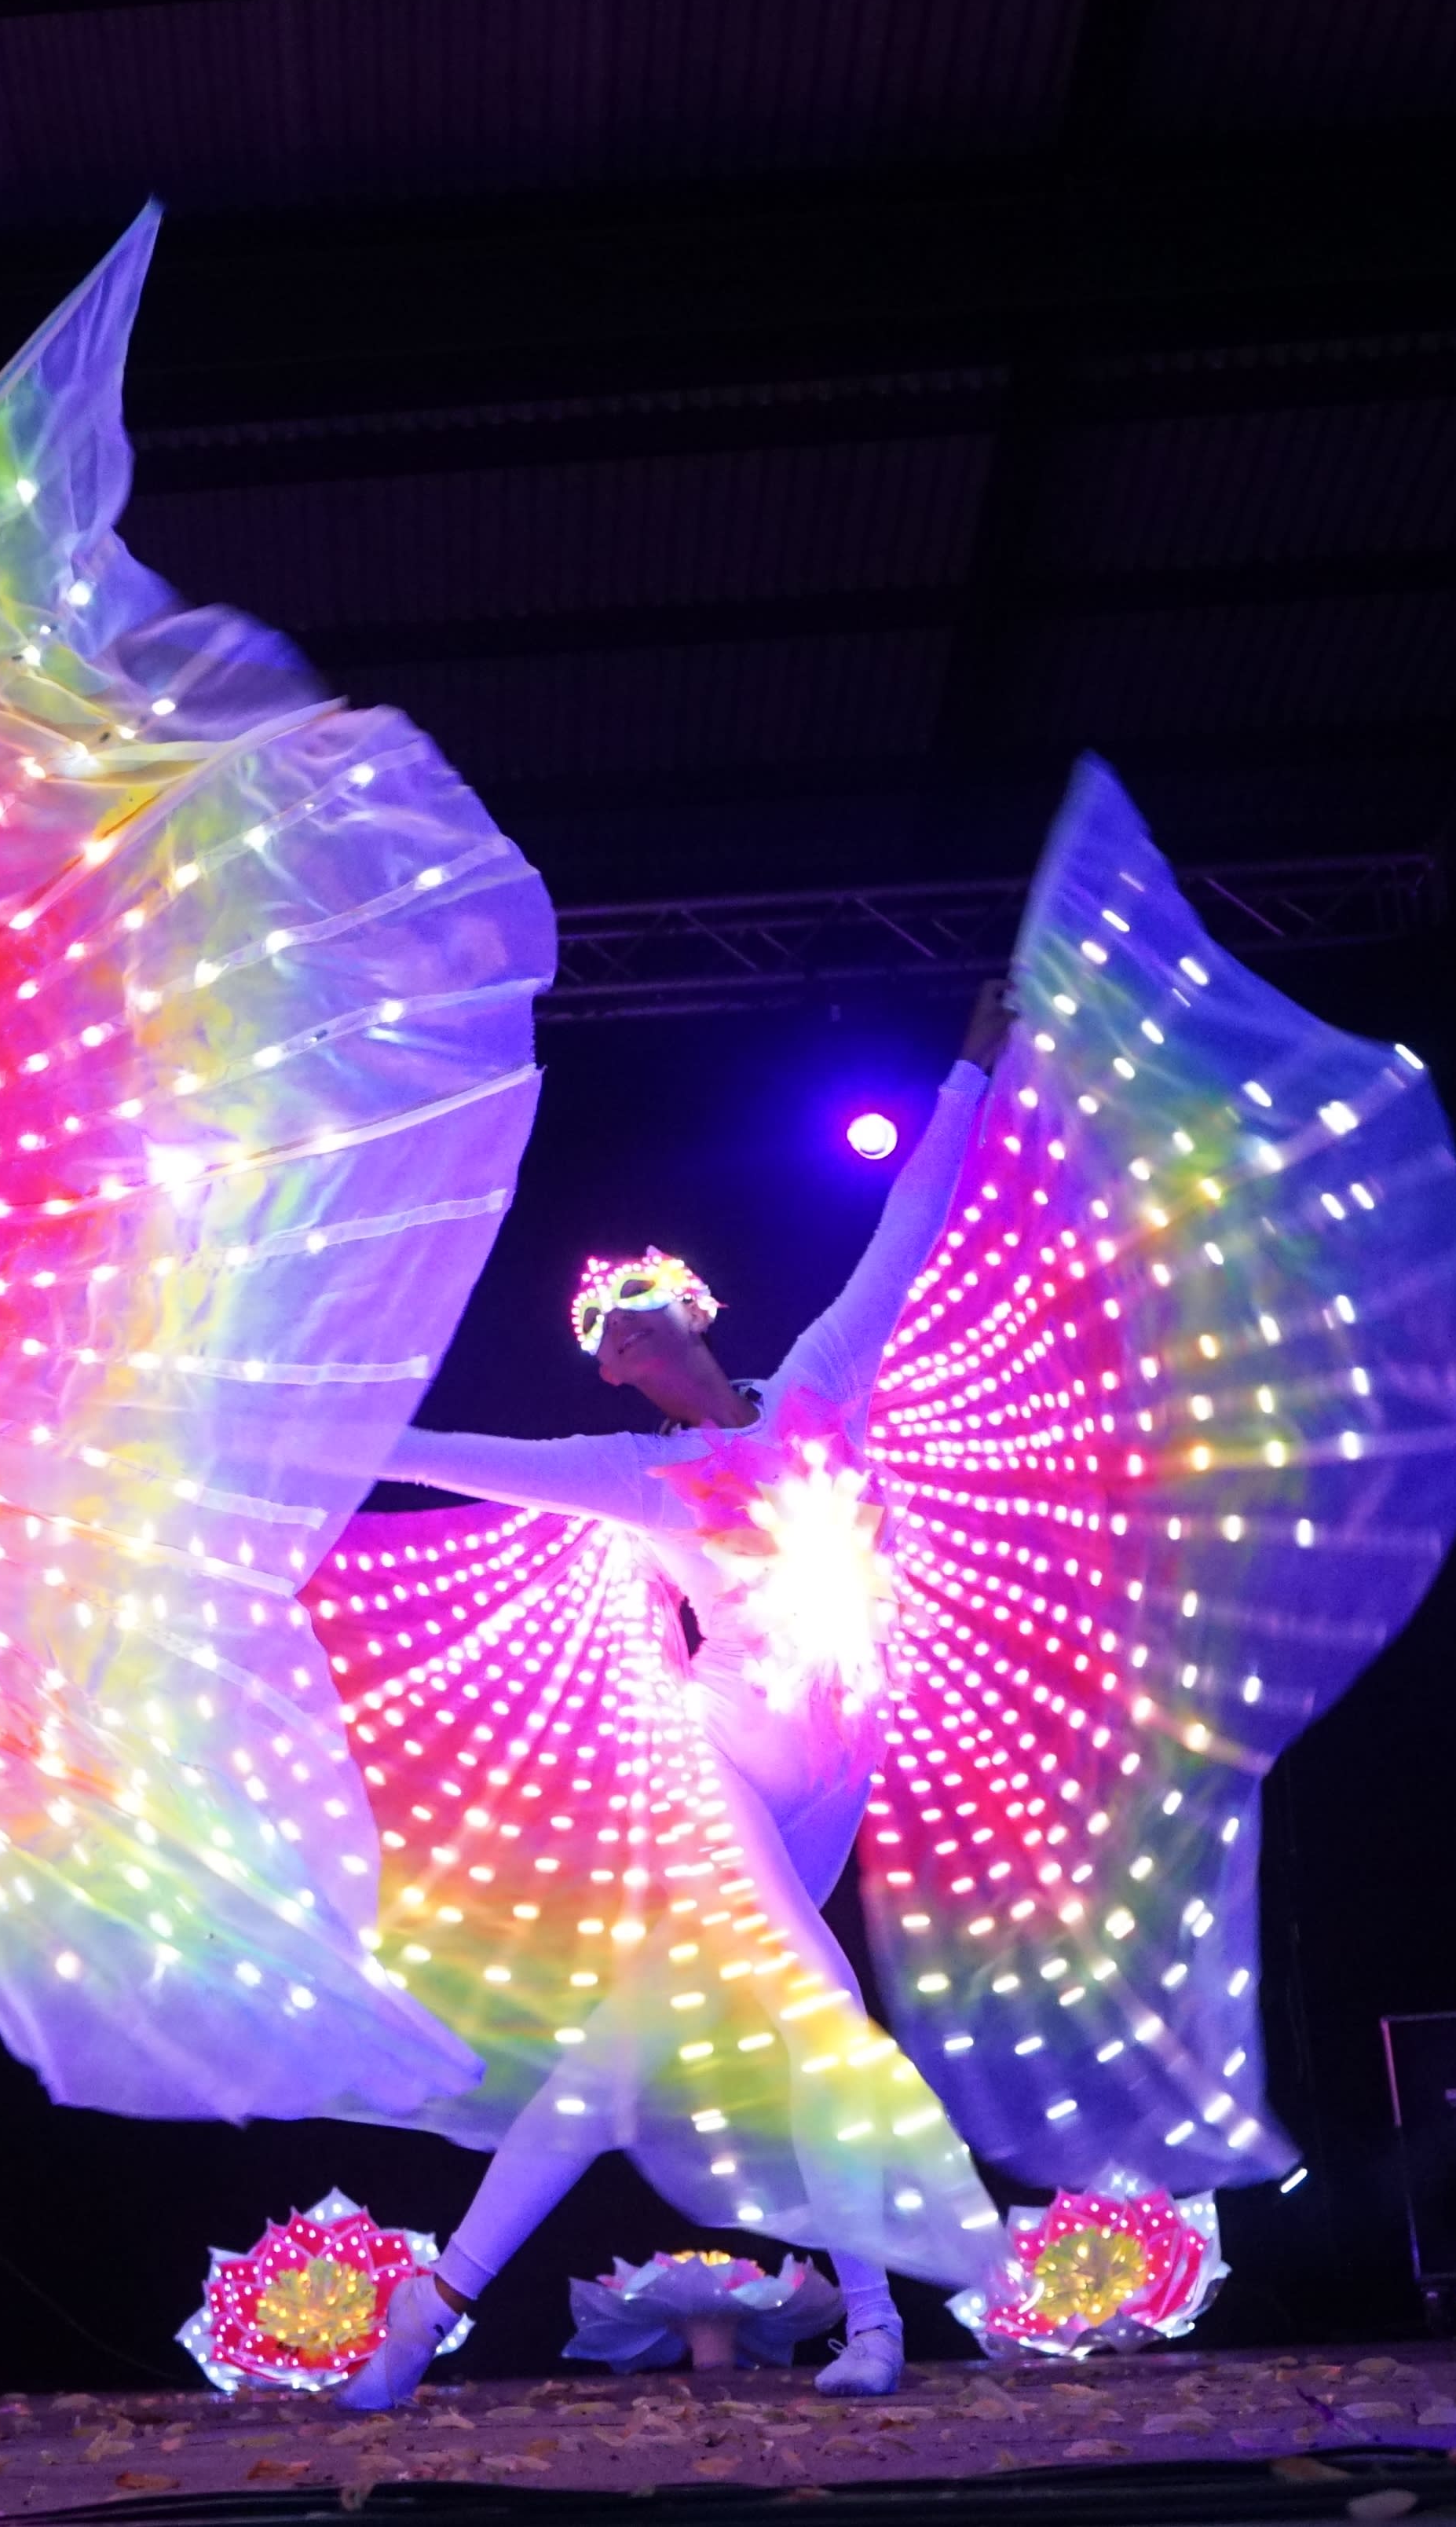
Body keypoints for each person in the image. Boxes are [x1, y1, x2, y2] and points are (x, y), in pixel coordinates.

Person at [335, 978, 1018, 2406]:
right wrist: (304, 1431)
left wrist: (966, 1073)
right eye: (608, 1345)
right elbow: (449, 1457)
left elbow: (909, 1229)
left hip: (837, 1768)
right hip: (728, 1767)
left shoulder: (821, 1384)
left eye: (640, 1318)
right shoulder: (638, 1476)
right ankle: (878, 2325)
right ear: (614, 1377)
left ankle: (422, 2313)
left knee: (607, 2065)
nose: (627, 1344)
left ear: (691, 1310)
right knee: (819, 2001)